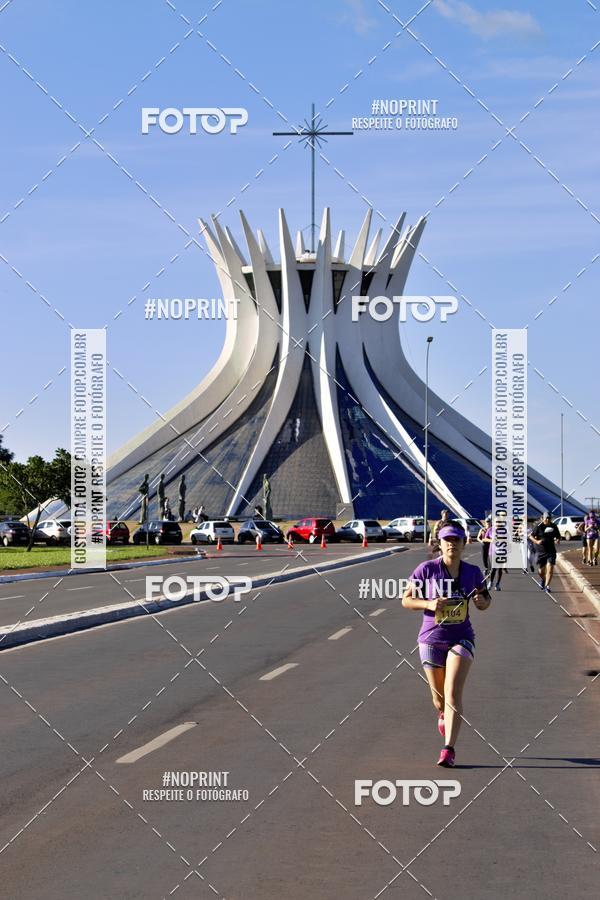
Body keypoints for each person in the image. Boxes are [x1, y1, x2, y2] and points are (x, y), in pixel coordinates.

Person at [402, 522, 491, 768]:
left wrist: (481, 602)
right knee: (440, 699)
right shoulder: (426, 569)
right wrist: (429, 604)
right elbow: (406, 600)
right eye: (447, 540)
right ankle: (443, 713)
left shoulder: (473, 572)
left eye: (456, 540)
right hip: (431, 639)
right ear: (439, 543)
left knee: (452, 693)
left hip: (462, 637)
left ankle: (448, 749)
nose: (452, 544)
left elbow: (485, 601)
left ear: (464, 544)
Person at [531, 512, 561, 592]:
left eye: (549, 518)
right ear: (543, 518)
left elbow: (558, 536)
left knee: (550, 567)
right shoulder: (538, 526)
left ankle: (547, 586)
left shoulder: (554, 526)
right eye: (546, 518)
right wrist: (537, 542)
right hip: (540, 551)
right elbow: (530, 536)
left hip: (551, 550)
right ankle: (543, 580)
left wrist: (557, 540)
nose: (548, 519)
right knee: (541, 572)